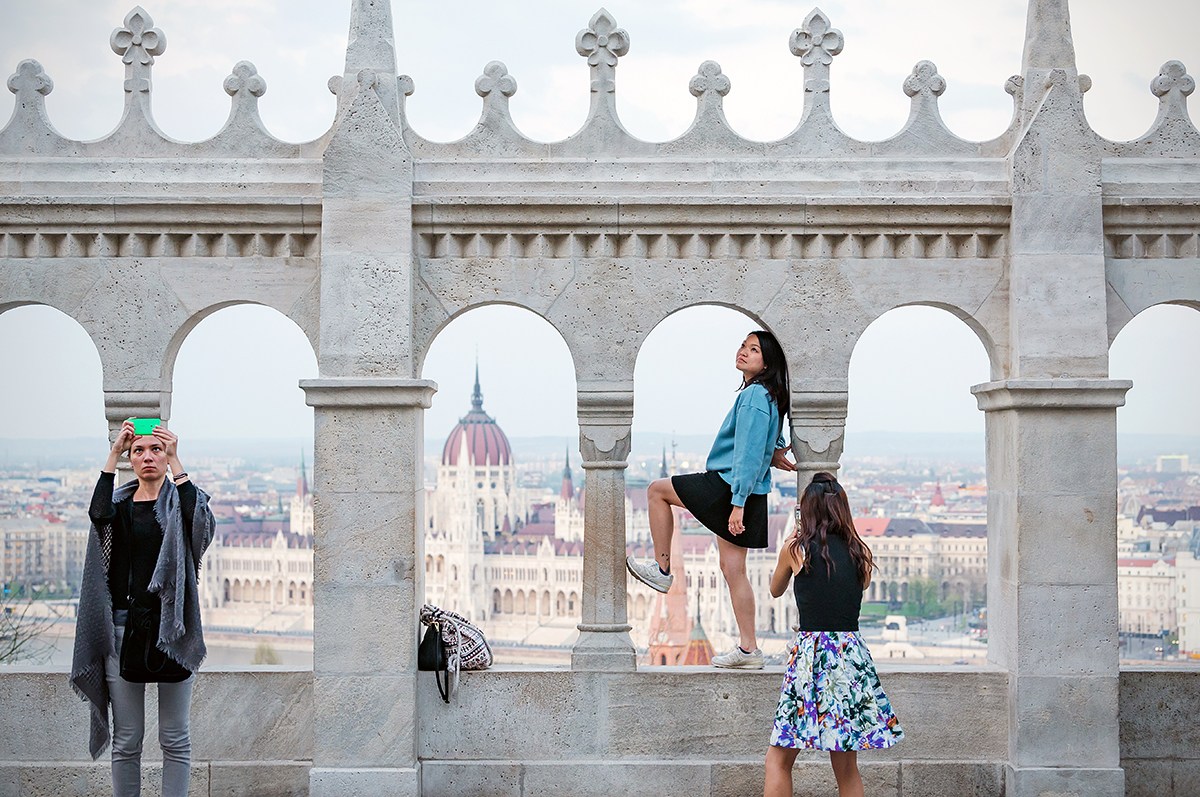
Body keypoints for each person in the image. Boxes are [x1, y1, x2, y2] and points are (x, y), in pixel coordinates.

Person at [626, 330, 794, 669]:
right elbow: (760, 443)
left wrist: (737, 503)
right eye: (743, 346)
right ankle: (749, 650)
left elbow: (745, 453)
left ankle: (661, 569)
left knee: (657, 491)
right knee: (734, 570)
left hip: (727, 487)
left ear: (767, 363)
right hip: (749, 492)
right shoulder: (770, 396)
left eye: (754, 350)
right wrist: (773, 455)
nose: (743, 352)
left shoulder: (752, 398)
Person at [70, 420, 214, 797]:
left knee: (175, 737)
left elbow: (199, 523)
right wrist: (113, 452)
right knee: (128, 738)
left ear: (166, 457)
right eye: (139, 451)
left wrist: (178, 459)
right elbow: (97, 513)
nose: (148, 457)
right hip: (122, 628)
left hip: (175, 628)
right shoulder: (118, 506)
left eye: (156, 450)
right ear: (130, 460)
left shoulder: (180, 502)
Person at [764, 472, 903, 797]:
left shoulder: (796, 549)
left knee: (778, 759)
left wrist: (794, 547)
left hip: (813, 657)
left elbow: (775, 589)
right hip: (849, 659)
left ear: (806, 512)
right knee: (846, 768)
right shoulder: (860, 553)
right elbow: (857, 587)